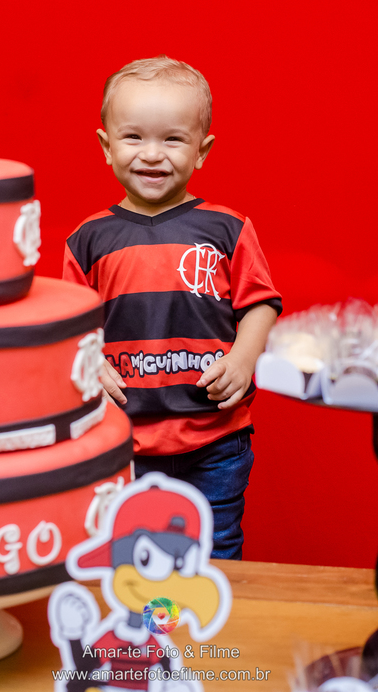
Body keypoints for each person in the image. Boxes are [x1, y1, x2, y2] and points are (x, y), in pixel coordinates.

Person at [62, 56, 281, 560]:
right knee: (130, 554)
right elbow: (71, 330)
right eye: (134, 137)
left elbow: (261, 303)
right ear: (106, 146)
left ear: (202, 151)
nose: (153, 155)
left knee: (216, 549)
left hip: (216, 439)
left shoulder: (228, 228)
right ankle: (143, 640)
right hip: (122, 441)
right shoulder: (86, 241)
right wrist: (89, 365)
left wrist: (244, 359)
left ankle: (212, 642)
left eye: (173, 140)